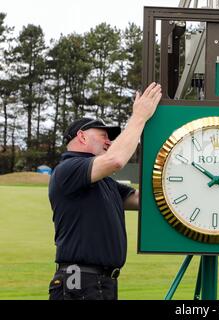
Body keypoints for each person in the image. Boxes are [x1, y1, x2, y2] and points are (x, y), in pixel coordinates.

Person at [48, 82, 162, 300]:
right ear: (82, 137)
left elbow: (141, 200)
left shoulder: (104, 182)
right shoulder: (68, 169)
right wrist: (139, 117)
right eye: (103, 136)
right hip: (80, 282)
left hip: (101, 283)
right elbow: (117, 160)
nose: (109, 142)